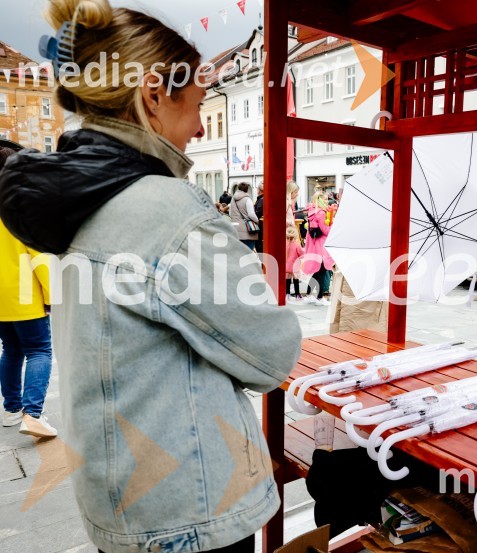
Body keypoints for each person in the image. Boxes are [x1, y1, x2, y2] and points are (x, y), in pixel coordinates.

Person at [0, 2, 302, 552]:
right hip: (192, 507)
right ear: (154, 94)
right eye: (197, 104)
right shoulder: (168, 212)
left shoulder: (77, 203)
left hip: (120, 498)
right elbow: (272, 353)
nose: (203, 124)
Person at [0, 145, 56, 438]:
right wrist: (52, 295)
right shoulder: (19, 209)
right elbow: (39, 257)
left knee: (11, 350)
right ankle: (32, 414)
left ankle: (11, 409)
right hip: (24, 295)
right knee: (39, 351)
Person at [302, 191, 335, 305]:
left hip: (314, 245)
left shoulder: (312, 212)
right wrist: (332, 226)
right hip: (322, 245)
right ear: (320, 200)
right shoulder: (321, 213)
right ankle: (320, 297)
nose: (327, 201)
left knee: (317, 271)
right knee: (322, 270)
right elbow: (326, 230)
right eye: (325, 199)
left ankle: (309, 295)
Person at [229, 182, 260, 250]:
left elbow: (230, 213)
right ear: (247, 190)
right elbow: (251, 214)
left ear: (238, 189)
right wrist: (257, 221)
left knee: (239, 253)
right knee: (248, 253)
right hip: (247, 231)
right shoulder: (247, 199)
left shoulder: (233, 200)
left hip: (235, 229)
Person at [286, 225, 304, 301]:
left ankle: (287, 294)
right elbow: (302, 255)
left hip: (286, 266)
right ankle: (297, 294)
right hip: (295, 266)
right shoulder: (297, 245)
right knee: (296, 280)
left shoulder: (284, 244)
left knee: (287, 280)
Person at [254, 185, 265, 253]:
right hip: (263, 225)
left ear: (259, 191)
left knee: (259, 244)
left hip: (260, 225)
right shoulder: (264, 199)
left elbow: (258, 212)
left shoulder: (261, 200)